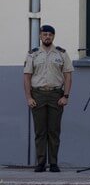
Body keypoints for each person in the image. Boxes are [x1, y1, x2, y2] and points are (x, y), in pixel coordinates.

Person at [23, 24, 72, 172]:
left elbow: (68, 76)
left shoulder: (61, 54)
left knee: (54, 131)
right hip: (37, 95)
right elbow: (27, 77)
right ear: (40, 36)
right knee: (40, 131)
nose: (47, 37)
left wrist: (65, 96)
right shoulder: (33, 54)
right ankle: (41, 163)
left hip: (55, 95)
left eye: (50, 35)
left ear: (53, 36)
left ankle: (54, 163)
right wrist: (29, 97)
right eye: (44, 34)